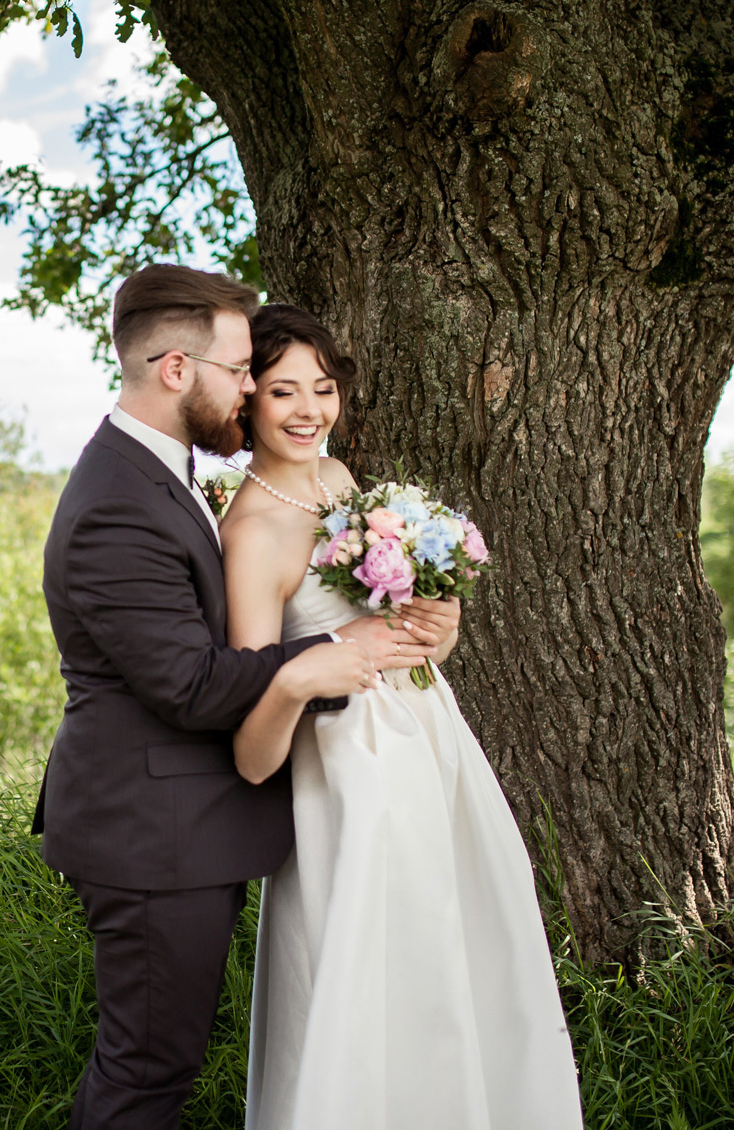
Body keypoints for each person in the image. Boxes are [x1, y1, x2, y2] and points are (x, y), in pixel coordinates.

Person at [34, 265, 451, 1130]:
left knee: (158, 1064)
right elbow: (188, 683)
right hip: (149, 833)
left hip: (183, 826)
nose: (251, 389)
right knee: (146, 1071)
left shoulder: (162, 471)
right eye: (238, 371)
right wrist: (323, 655)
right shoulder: (116, 503)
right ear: (176, 370)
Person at [223, 304, 583, 1130]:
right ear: (247, 398)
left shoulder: (339, 479)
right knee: (368, 980)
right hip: (350, 782)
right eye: (284, 391)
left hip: (430, 742)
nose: (309, 409)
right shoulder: (251, 534)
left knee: (455, 960)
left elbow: (397, 636)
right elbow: (253, 730)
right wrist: (319, 662)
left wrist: (437, 629)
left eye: (323, 386)